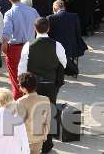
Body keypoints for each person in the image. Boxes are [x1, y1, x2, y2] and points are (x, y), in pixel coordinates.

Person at [18, 18, 66, 152]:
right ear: (49, 28)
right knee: (49, 112)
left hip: (33, 84)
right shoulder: (57, 45)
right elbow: (64, 63)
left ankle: (31, 141)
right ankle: (47, 143)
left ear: (34, 29)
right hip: (51, 84)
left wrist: (20, 83)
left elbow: (22, 67)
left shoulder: (28, 45)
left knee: (31, 113)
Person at [2, 0, 39, 100]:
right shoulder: (32, 11)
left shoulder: (10, 13)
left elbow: (6, 33)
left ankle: (18, 107)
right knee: (29, 78)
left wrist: (4, 46)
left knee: (16, 80)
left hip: (15, 49)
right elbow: (40, 26)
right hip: (31, 47)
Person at [16, 73, 51, 154]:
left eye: (19, 85)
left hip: (25, 139)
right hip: (39, 138)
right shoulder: (45, 99)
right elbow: (47, 120)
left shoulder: (20, 102)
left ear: (24, 88)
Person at [47, 0, 86, 67]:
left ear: (54, 9)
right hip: (71, 48)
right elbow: (78, 32)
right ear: (64, 7)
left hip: (56, 49)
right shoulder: (74, 16)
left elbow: (48, 34)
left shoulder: (50, 18)